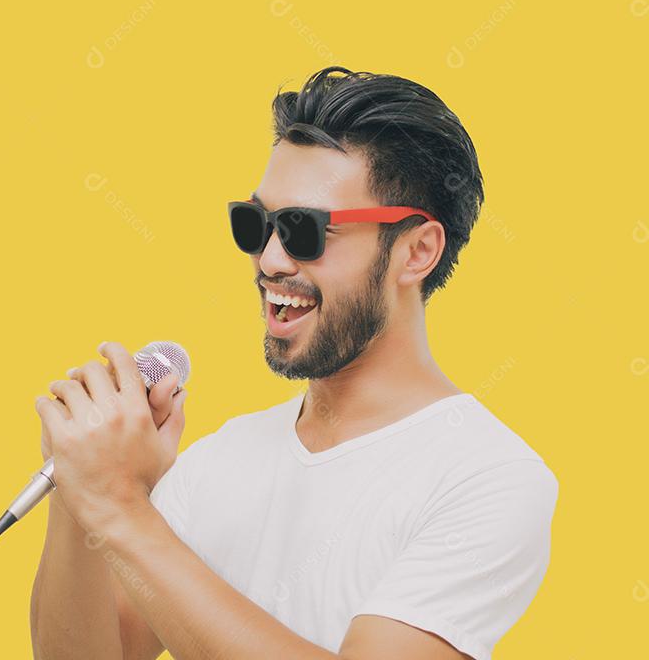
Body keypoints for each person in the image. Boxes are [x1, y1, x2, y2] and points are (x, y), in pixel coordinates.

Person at [30, 66, 558, 660]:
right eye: (256, 224)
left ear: (417, 251)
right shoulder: (219, 461)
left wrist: (120, 507)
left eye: (306, 230)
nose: (271, 259)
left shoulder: (487, 476)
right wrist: (79, 490)